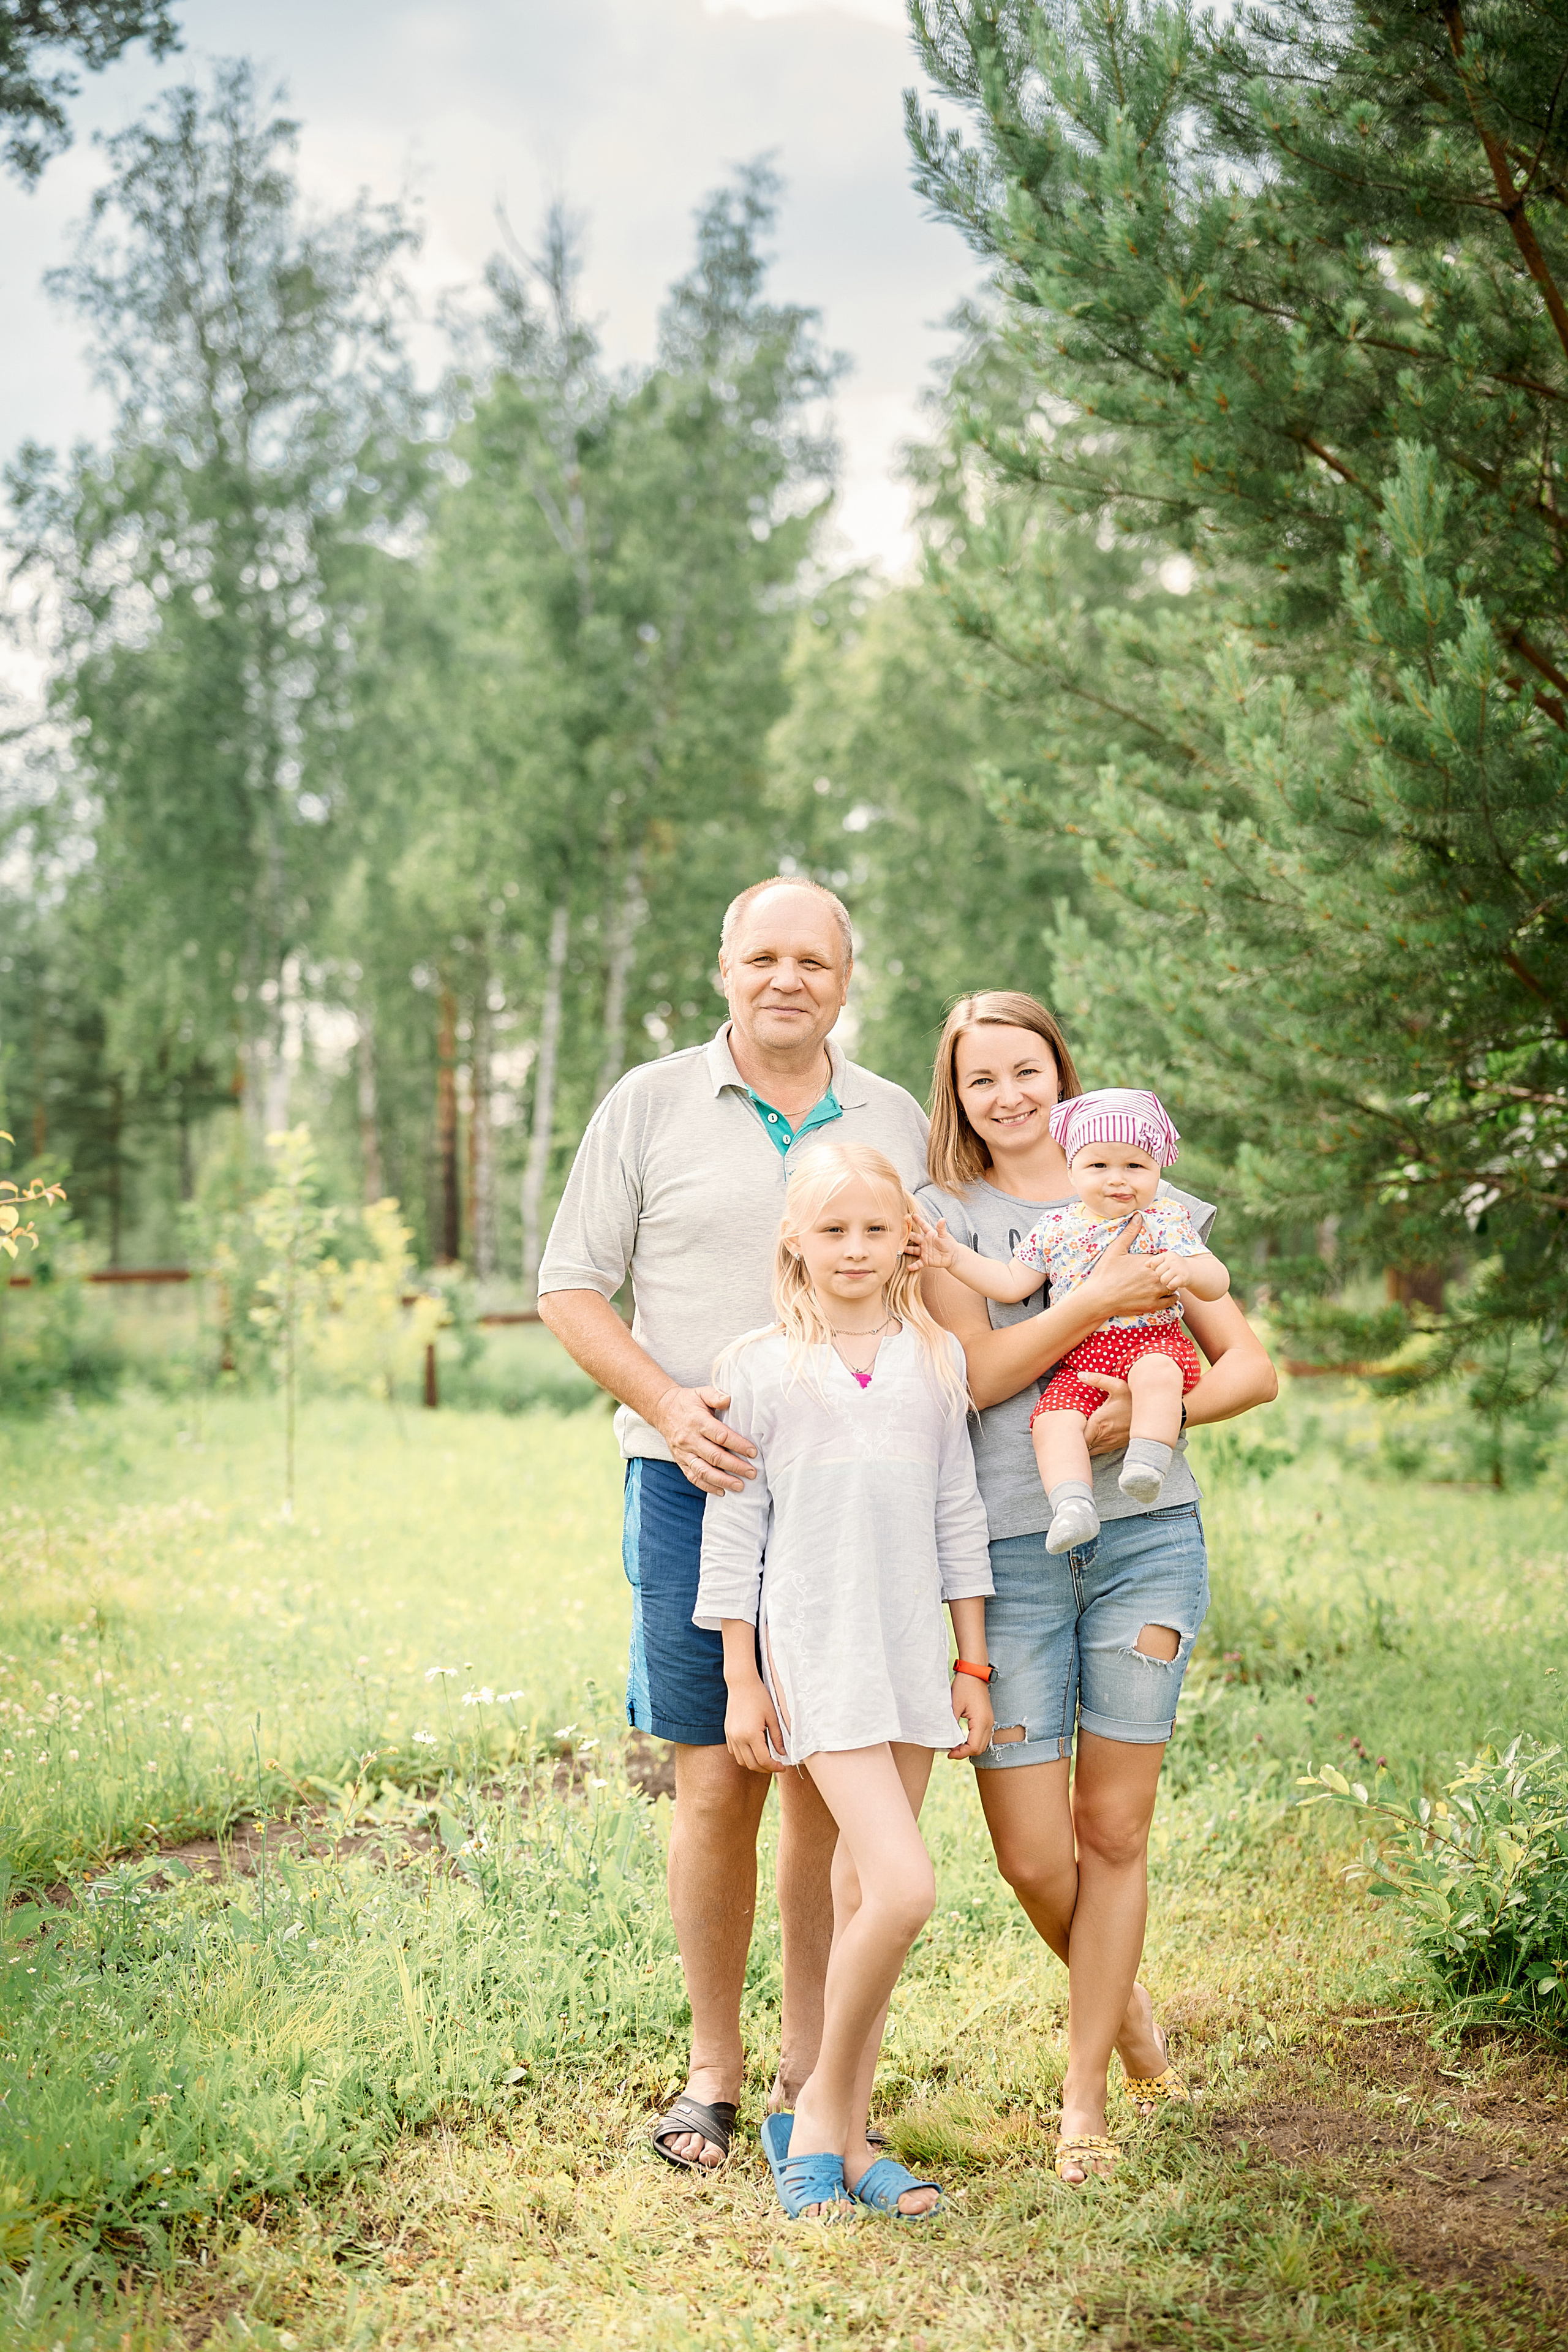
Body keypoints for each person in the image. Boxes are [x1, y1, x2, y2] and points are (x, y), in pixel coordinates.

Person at [537, 878, 929, 2173]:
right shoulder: (648, 1103)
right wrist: (665, 1401)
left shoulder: (890, 1117)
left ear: (843, 976)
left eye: (810, 959)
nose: (785, 979)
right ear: (721, 969)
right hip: (688, 1481)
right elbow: (567, 1287)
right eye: (761, 955)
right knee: (715, 1778)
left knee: (828, 1785)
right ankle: (712, 2073)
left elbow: (951, 1285)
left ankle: (814, 2080)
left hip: (849, 1506)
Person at [916, 993, 1278, 2187]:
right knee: (1031, 1855)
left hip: (1143, 1543)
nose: (1007, 1096)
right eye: (981, 1080)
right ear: (957, 1097)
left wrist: (1130, 1416)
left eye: (1026, 1071)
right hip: (1007, 1557)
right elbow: (974, 1380)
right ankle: (1124, 2022)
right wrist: (1083, 1306)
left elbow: (1249, 1369)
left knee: (1111, 1830)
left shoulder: (1141, 1192)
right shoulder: (946, 1220)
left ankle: (1083, 2099)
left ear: (1059, 1079)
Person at [696, 1140, 993, 2219]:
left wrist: (972, 1662)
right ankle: (816, 2115)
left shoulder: (935, 1360)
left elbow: (959, 1518)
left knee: (869, 1894)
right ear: (795, 1239)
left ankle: (856, 2141)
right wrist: (741, 1679)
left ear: (905, 1241)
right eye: (834, 1231)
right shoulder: (761, 1365)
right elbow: (734, 1539)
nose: (856, 1249)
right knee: (908, 1888)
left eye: (876, 1230)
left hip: (914, 1652)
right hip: (816, 1658)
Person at [916, 1087, 1230, 1552]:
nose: (1118, 1179)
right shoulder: (1058, 1228)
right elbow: (1008, 1282)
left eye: (1136, 1166)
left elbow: (1216, 1280)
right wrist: (954, 1258)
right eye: (1098, 1166)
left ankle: (1147, 1460)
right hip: (1083, 1358)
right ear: (1072, 1168)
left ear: (1158, 1170)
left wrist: (1187, 1269)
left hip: (1153, 1342)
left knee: (1157, 1376)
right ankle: (1072, 1504)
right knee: (1051, 1421)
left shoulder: (1164, 1218)